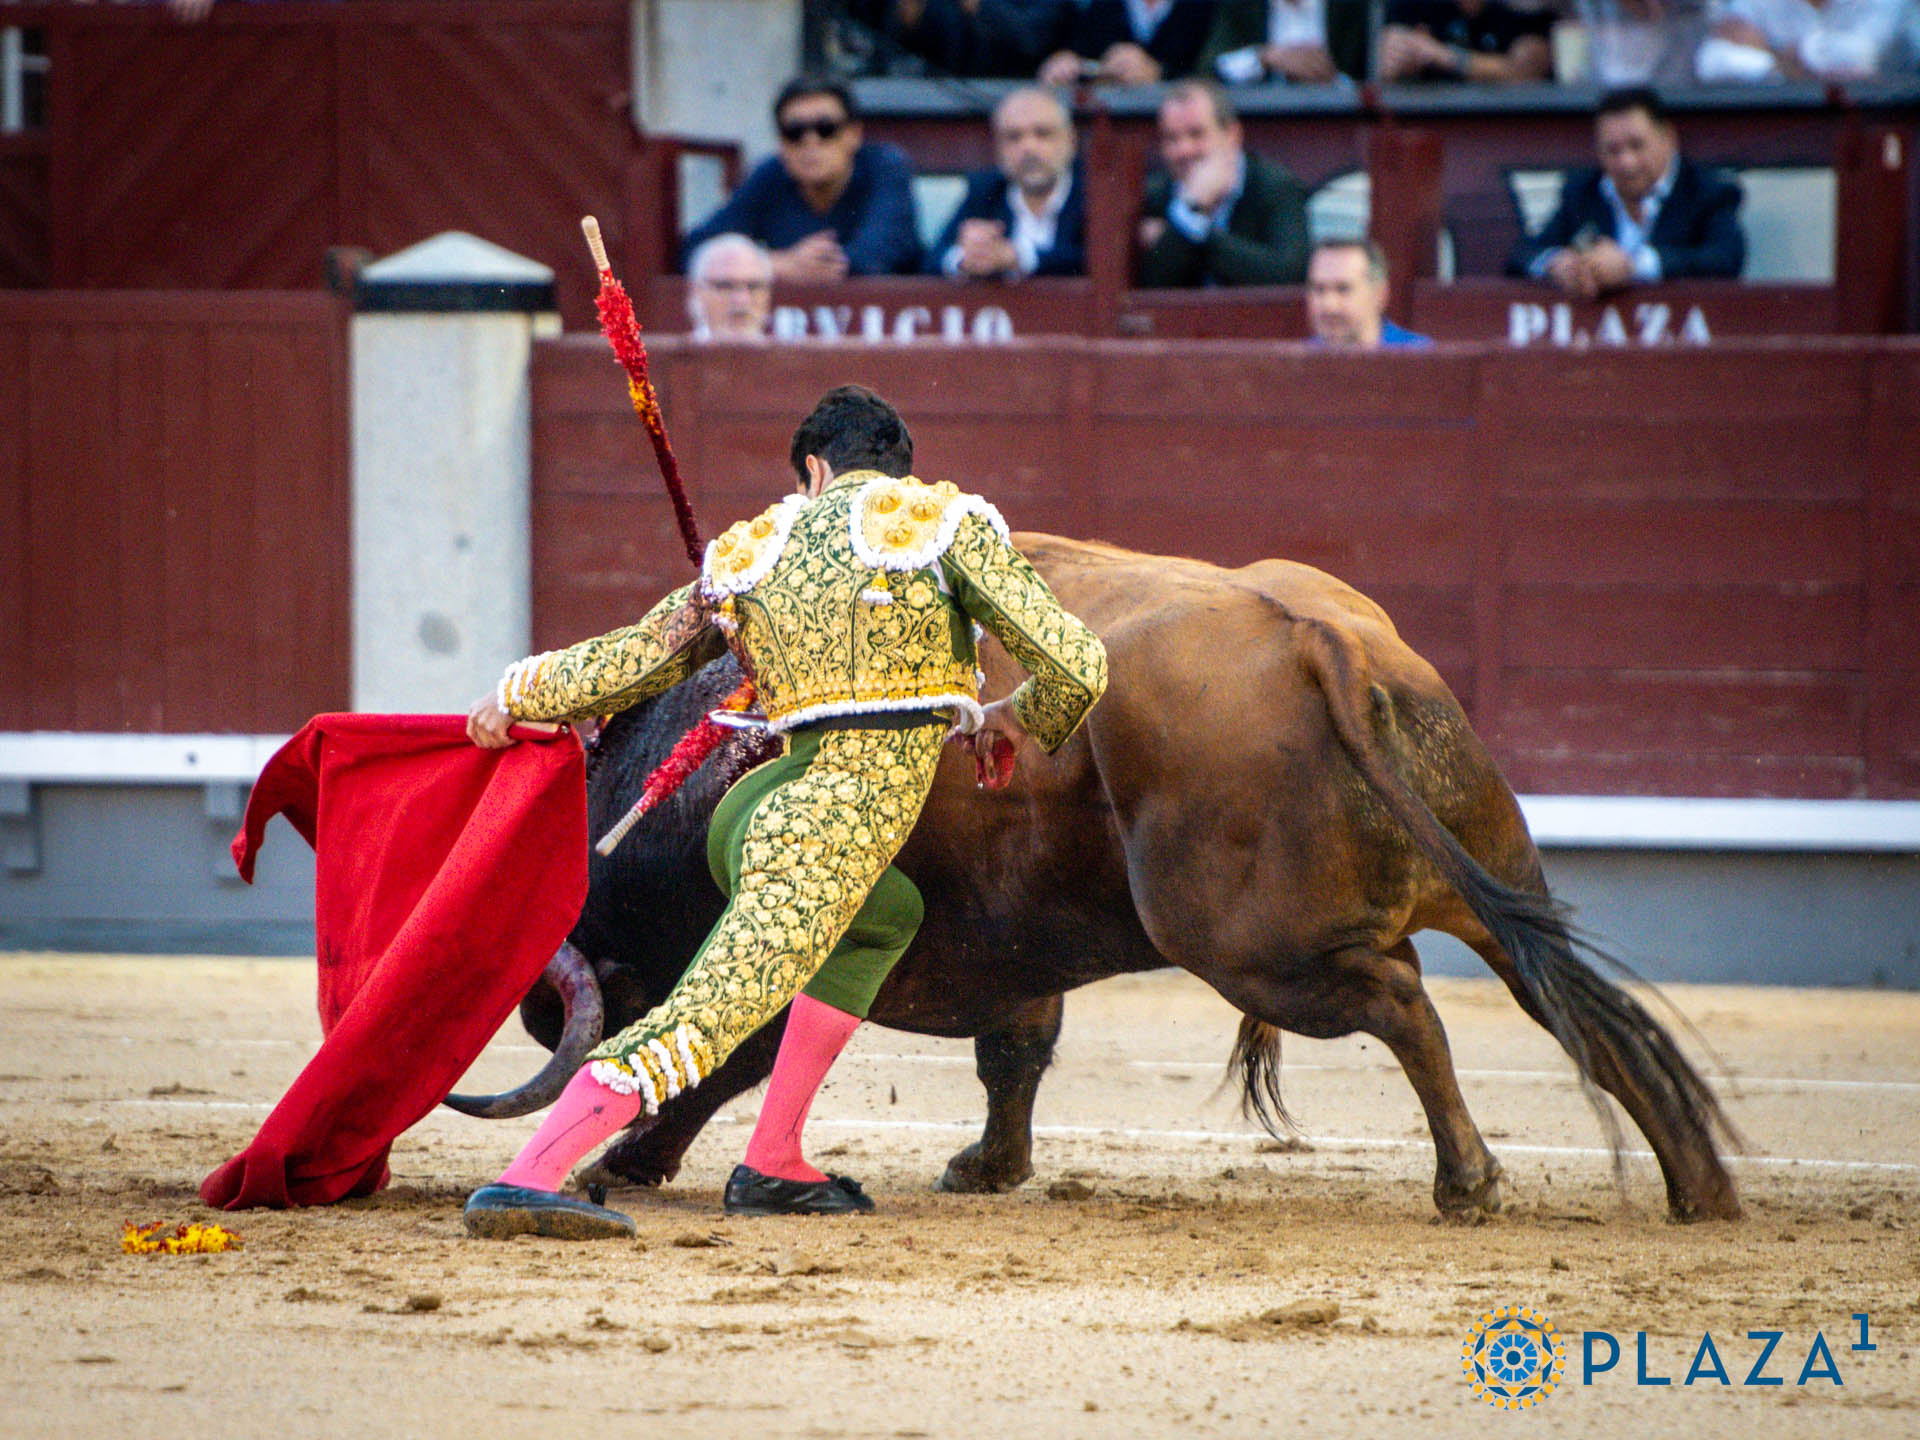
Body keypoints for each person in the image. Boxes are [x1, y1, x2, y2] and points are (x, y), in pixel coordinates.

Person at [461, 386, 1109, 1238]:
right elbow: (1079, 664)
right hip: (828, 826)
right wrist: (1011, 720)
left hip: (758, 807)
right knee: (710, 1014)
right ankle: (528, 1176)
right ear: (898, 468)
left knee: (885, 918)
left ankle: (774, 1160)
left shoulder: (755, 548)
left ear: (815, 468)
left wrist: (518, 692)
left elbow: (637, 659)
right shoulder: (944, 526)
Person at [1508, 85, 1745, 295]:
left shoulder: (1709, 191)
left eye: (1637, 145)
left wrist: (1633, 266)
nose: (1626, 162)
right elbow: (1522, 254)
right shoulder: (1583, 190)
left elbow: (1725, 259)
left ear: (1668, 138)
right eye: (1613, 150)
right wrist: (1557, 264)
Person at [682, 78, 921, 282]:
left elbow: (877, 255)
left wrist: (816, 265)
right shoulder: (770, 175)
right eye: (794, 132)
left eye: (826, 129)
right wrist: (775, 264)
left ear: (854, 135)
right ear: (781, 142)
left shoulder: (884, 166)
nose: (810, 142)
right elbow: (694, 252)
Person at [1137, 80, 1310, 287]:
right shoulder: (1154, 196)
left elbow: (1287, 275)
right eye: (1171, 138)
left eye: (1196, 134)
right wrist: (1192, 208)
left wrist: (1189, 218)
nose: (1183, 150)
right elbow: (1153, 285)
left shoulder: (1277, 188)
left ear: (1232, 135)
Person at [929, 86, 1086, 280]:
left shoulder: (1094, 192)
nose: (1028, 147)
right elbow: (931, 260)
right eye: (1014, 137)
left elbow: (1098, 261)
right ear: (998, 147)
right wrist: (964, 258)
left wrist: (1019, 257)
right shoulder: (987, 189)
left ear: (1071, 141)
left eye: (1043, 134)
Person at [1694, 0, 1908, 81]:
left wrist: (1770, 52)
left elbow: (1864, 57)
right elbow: (1711, 62)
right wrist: (1774, 67)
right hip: (1786, 125)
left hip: (1874, 122)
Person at [863, 0, 1072, 76]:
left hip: (1019, 97)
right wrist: (910, 9)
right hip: (939, 104)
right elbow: (895, 48)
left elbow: (1030, 40)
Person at [1038, 0, 1222, 85]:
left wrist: (1158, 73)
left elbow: (1217, 68)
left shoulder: (1211, 8)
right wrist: (1070, 66)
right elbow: (1079, 52)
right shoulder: (1097, 7)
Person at [1377, 0, 1554, 82]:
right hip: (1428, 124)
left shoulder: (1517, 10)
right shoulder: (1412, 7)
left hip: (1503, 128)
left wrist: (1446, 57)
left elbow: (1529, 69)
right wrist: (1394, 55)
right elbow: (1384, 60)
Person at [1305, 239, 1432, 347]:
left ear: (1379, 295)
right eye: (1319, 289)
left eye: (1343, 289)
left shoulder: (1421, 359)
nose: (1329, 305)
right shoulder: (1298, 361)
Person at [1199, 0, 1352, 84]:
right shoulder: (1243, 6)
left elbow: (1361, 74)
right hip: (1262, 122)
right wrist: (1263, 58)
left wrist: (1333, 79)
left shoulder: (1351, 8)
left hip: (1340, 122)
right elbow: (1208, 71)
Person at [686, 234, 775, 342]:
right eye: (725, 286)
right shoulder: (674, 352)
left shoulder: (788, 352)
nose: (741, 300)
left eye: (753, 287)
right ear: (696, 291)